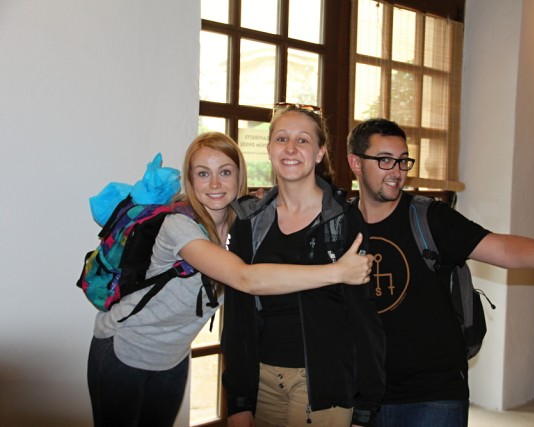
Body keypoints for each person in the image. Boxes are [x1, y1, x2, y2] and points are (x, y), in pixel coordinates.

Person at [345, 118, 534, 427]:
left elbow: (506, 250)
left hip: (432, 393)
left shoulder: (429, 217)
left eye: (403, 160)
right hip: (362, 392)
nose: (397, 171)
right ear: (355, 163)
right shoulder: (340, 224)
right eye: (385, 160)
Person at [87, 132, 374, 427]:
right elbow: (245, 278)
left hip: (172, 358)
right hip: (125, 349)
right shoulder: (179, 226)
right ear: (190, 180)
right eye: (203, 174)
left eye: (225, 172)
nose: (214, 184)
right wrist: (338, 272)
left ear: (240, 177)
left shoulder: (245, 225)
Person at [222, 104, 386, 427]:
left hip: (323, 382)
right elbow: (238, 315)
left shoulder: (344, 219)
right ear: (269, 148)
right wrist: (239, 399)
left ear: (320, 152)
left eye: (303, 140)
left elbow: (363, 318)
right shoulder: (249, 220)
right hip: (262, 381)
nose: (291, 148)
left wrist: (365, 406)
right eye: (282, 138)